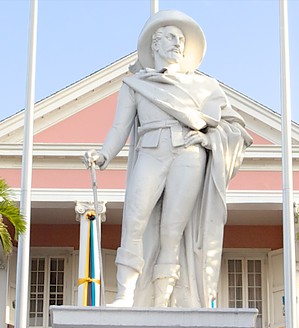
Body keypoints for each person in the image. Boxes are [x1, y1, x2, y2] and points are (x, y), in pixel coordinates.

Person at [84, 10, 252, 308]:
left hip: (189, 154)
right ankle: (125, 294)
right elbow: (119, 127)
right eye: (171, 37)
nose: (178, 44)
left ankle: (163, 300)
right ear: (155, 44)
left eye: (181, 40)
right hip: (152, 150)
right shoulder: (136, 85)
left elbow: (235, 128)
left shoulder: (206, 87)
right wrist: (104, 153)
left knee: (172, 231)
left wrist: (207, 140)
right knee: (134, 221)